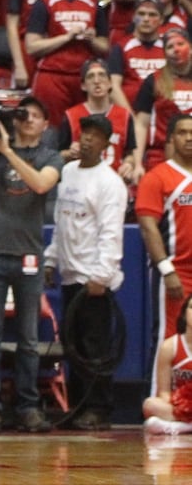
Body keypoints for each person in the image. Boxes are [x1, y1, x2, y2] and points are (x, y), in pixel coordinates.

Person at [0, 94, 62, 434]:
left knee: (27, 338)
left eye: (35, 115)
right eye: (23, 114)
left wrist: (9, 151)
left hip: (29, 255)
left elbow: (40, 184)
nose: (28, 119)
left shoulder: (50, 156)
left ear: (45, 124)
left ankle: (27, 407)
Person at [43, 113, 126, 429]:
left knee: (95, 347)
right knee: (73, 345)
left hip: (93, 280)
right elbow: (60, 222)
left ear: (106, 143)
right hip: (69, 275)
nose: (88, 139)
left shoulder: (110, 183)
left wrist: (101, 275)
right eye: (85, 133)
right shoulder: (68, 172)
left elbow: (110, 233)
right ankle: (77, 406)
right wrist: (51, 259)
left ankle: (99, 409)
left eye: (95, 135)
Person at [24, 0, 109, 127]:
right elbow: (32, 46)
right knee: (50, 130)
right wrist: (66, 37)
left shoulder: (94, 5)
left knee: (86, 131)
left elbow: (105, 46)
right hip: (52, 76)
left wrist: (92, 39)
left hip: (84, 79)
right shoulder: (44, 3)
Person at [137, 113, 192, 388]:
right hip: (176, 272)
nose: (189, 138)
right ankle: (160, 401)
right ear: (171, 138)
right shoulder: (157, 177)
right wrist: (166, 269)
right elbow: (148, 226)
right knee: (168, 337)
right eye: (182, 132)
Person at [134, 28, 192, 177]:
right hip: (160, 155)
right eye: (170, 47)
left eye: (180, 44)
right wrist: (137, 162)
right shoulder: (153, 80)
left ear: (190, 48)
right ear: (165, 54)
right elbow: (141, 124)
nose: (176, 50)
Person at [143, 292, 192, 434]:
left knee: (153, 423)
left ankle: (181, 427)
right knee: (150, 405)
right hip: (179, 407)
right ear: (183, 314)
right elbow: (164, 391)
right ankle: (186, 426)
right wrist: (180, 405)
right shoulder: (170, 347)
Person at [109, 0, 166, 113]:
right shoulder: (121, 47)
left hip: (161, 115)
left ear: (161, 20)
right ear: (134, 17)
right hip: (129, 112)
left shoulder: (169, 48)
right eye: (141, 14)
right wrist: (131, 120)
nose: (146, 19)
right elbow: (114, 87)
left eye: (152, 14)